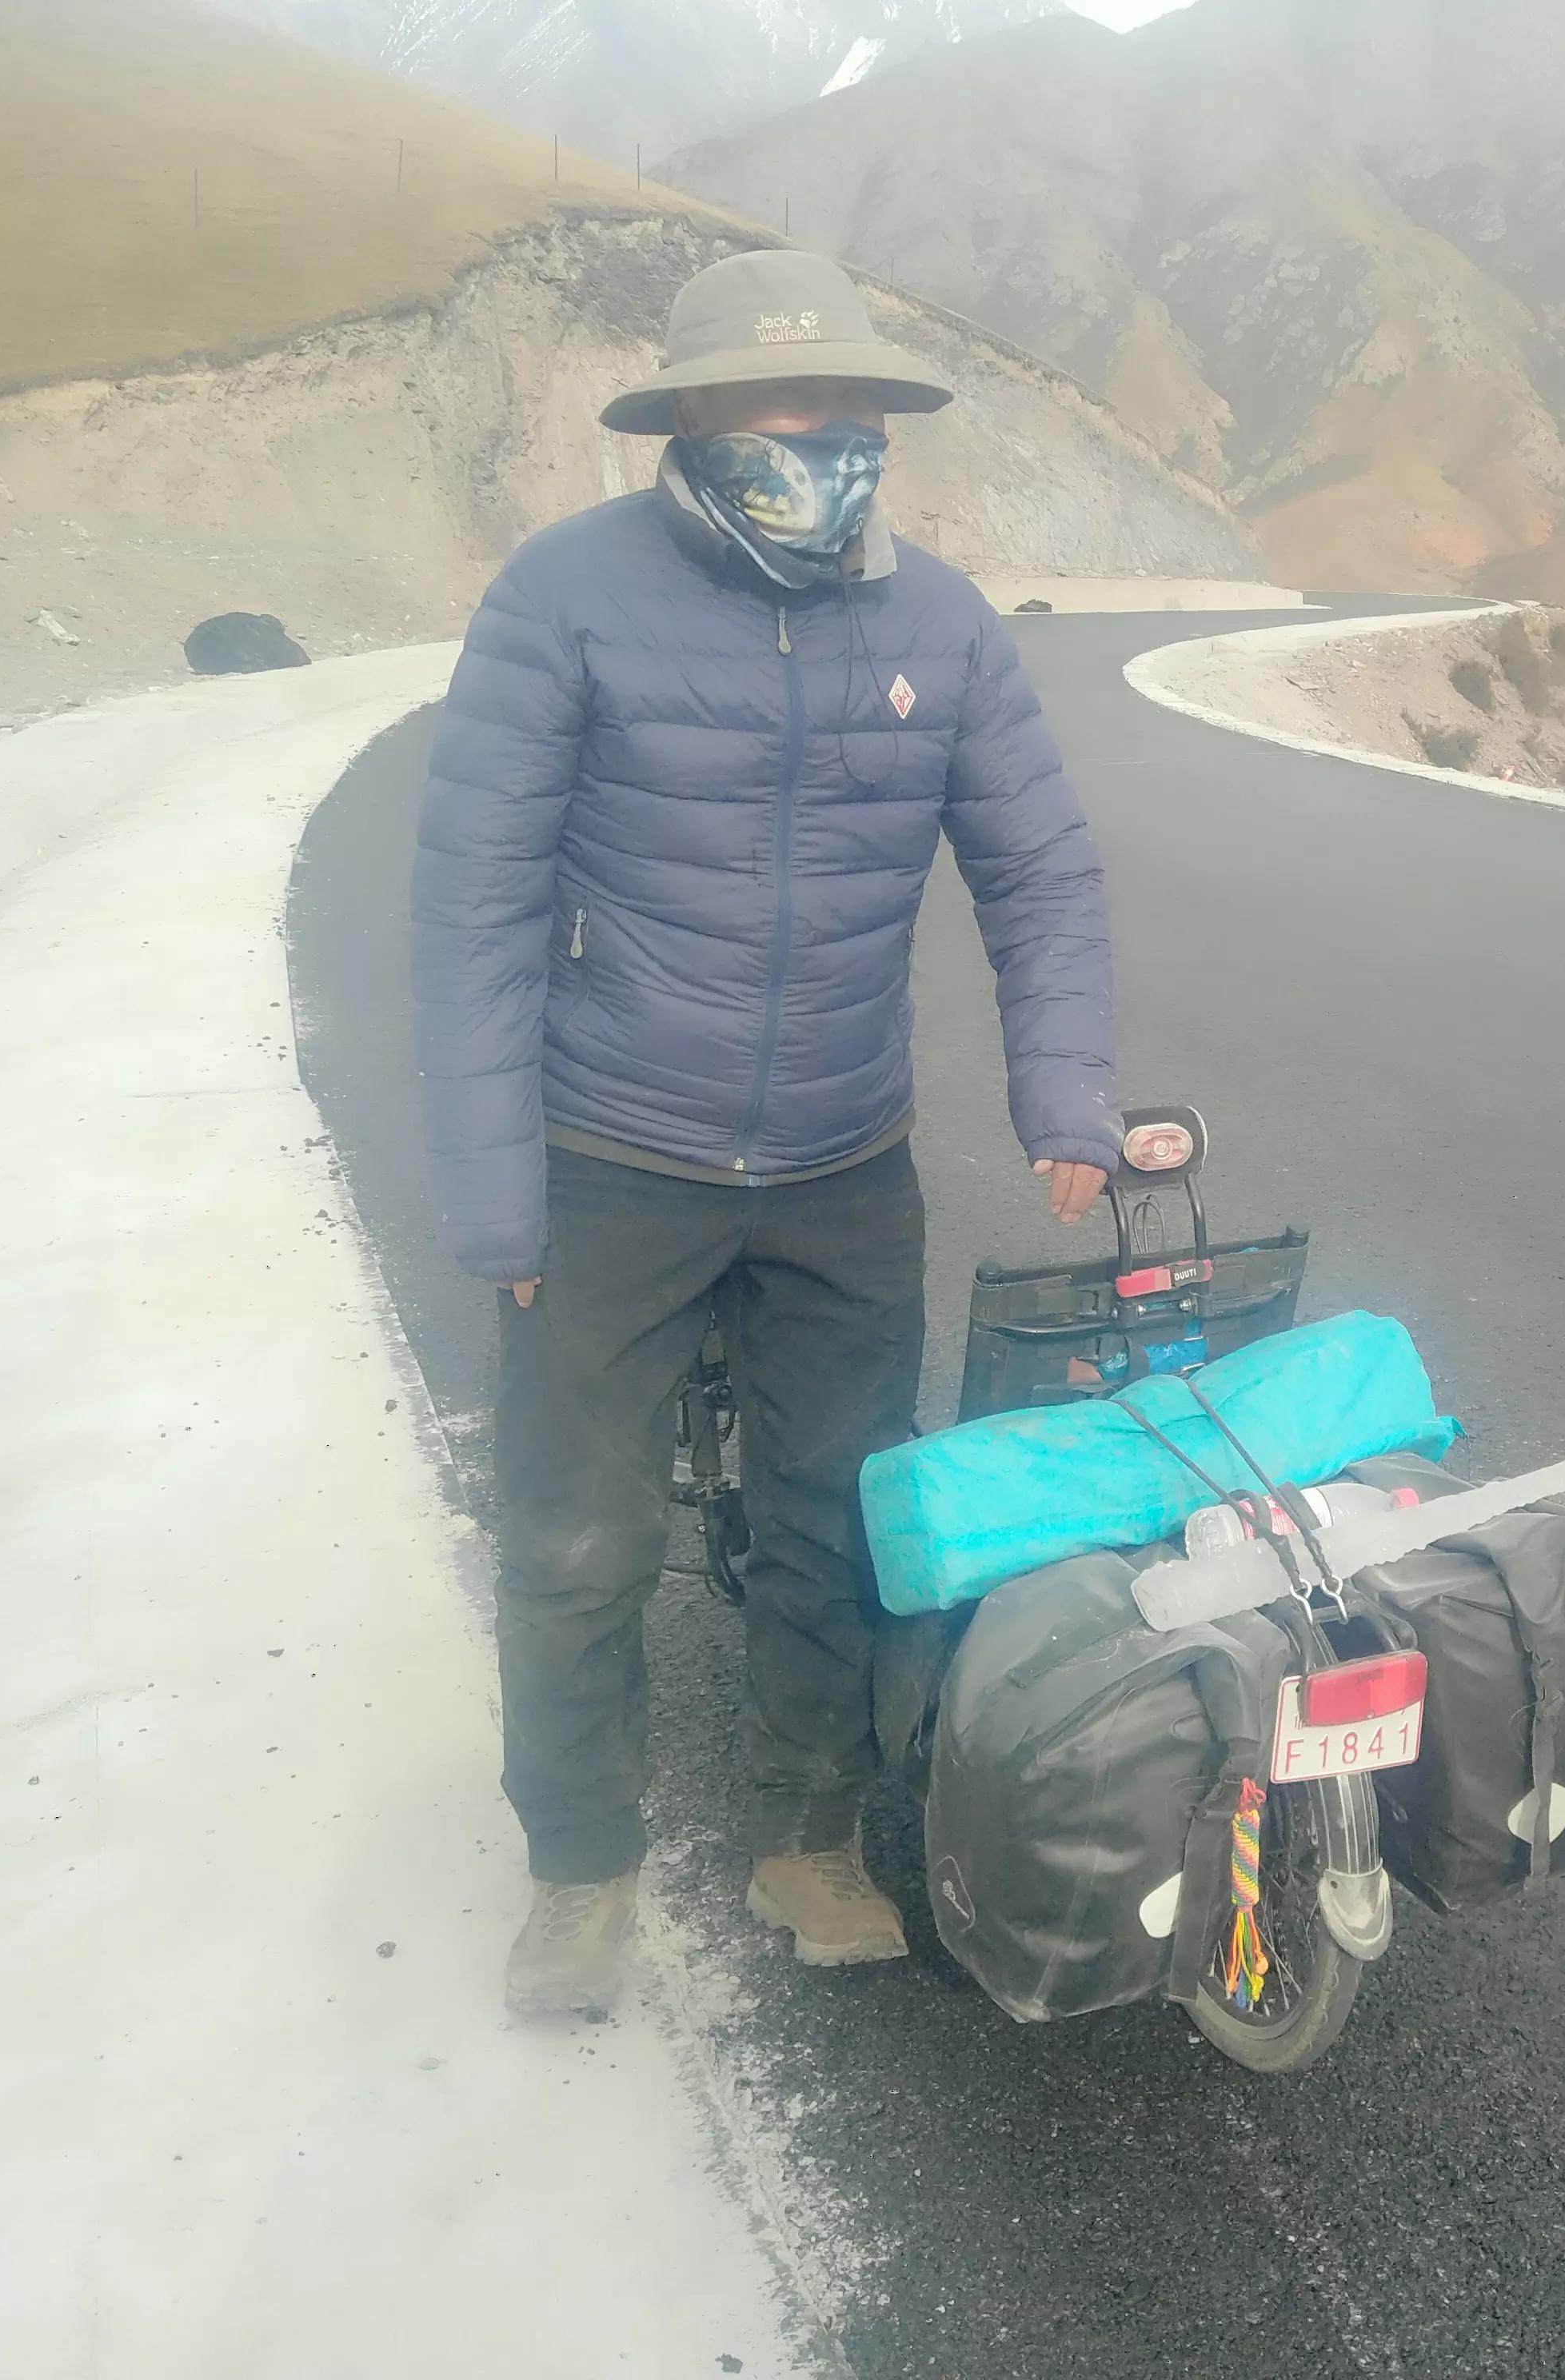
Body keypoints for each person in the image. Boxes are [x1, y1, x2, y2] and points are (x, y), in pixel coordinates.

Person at [412, 250, 1118, 2019]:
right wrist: (499, 1200)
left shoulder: (944, 626)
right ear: (697, 421)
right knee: (577, 1541)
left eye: (848, 410)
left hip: (841, 1161)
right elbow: (476, 908)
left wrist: (1065, 1095)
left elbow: (1040, 872)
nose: (821, 440)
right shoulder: (563, 597)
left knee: (843, 1519)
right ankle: (581, 1864)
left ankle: (812, 1834)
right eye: (780, 409)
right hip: (609, 1159)